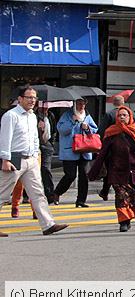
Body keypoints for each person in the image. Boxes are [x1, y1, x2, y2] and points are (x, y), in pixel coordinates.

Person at [0, 86, 68, 237]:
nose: (32, 100)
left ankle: (48, 225)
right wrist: (5, 159)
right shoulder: (11, 116)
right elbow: (5, 138)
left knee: (38, 193)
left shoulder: (32, 116)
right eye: (29, 97)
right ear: (20, 99)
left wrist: (37, 154)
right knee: (2, 194)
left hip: (31, 159)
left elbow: (34, 138)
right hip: (14, 159)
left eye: (34, 97)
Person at [88, 106, 135, 232]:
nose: (122, 117)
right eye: (120, 115)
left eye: (125, 115)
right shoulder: (111, 132)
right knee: (120, 196)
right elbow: (103, 153)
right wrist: (94, 171)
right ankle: (123, 222)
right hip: (117, 170)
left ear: (130, 117)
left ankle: (128, 218)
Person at [54, 98, 98, 208]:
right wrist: (73, 122)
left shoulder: (87, 116)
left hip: (84, 150)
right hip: (70, 150)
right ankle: (57, 193)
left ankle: (81, 200)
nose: (82, 105)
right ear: (74, 104)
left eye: (84, 103)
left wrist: (87, 128)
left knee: (84, 176)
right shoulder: (67, 115)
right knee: (70, 175)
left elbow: (94, 129)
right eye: (79, 103)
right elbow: (61, 130)